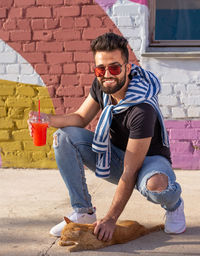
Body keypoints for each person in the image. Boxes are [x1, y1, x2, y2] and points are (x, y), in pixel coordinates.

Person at [28, 32, 186, 241]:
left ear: (127, 69)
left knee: (156, 186)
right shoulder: (102, 86)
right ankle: (83, 212)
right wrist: (48, 120)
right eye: (101, 69)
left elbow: (130, 172)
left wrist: (111, 218)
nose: (107, 74)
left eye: (114, 68)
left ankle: (175, 206)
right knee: (64, 137)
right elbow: (81, 118)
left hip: (149, 162)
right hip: (117, 156)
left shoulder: (141, 109)